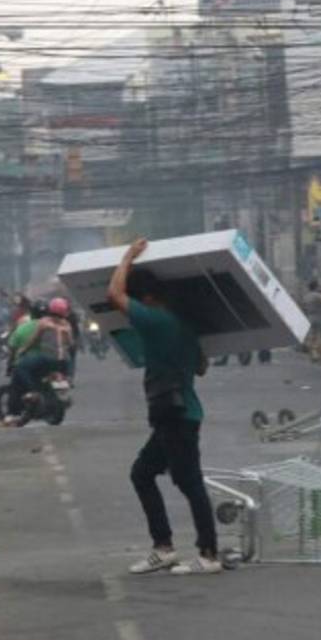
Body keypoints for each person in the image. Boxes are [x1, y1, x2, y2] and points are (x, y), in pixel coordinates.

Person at [108, 239, 220, 576]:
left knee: (189, 482)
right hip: (177, 414)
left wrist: (127, 256)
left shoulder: (157, 320)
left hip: (177, 415)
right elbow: (201, 367)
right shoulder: (182, 324)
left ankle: (209, 553)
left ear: (146, 298)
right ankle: (164, 547)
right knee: (142, 473)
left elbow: (114, 296)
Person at [4, 298, 74, 427]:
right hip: (62, 361)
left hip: (44, 359)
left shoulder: (40, 324)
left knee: (20, 368)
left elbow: (33, 340)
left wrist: (23, 350)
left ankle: (33, 391)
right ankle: (68, 379)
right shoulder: (67, 325)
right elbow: (70, 344)